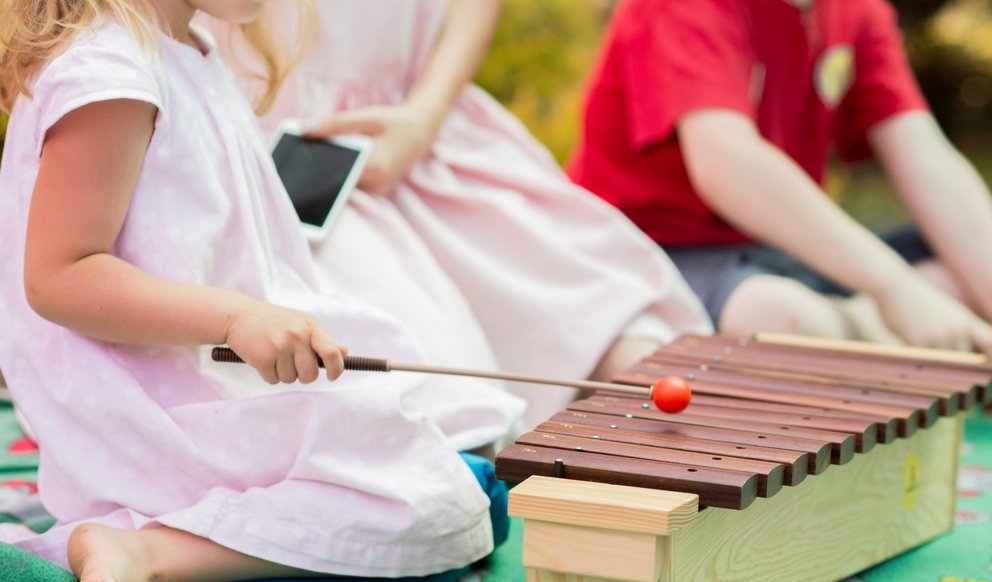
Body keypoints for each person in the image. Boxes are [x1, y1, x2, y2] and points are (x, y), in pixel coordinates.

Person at [0, 0, 526, 582]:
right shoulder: (111, 72)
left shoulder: (184, 48)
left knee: (465, 478)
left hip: (194, 381)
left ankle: (165, 543)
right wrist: (236, 316)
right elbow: (59, 274)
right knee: (434, 512)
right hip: (146, 411)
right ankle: (147, 553)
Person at [213, 0, 713, 427]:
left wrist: (423, 118)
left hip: (429, 137)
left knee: (618, 323)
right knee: (444, 395)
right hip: (286, 164)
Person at [567, 0, 992, 359]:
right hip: (663, 256)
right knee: (778, 317)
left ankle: (884, 340)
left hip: (788, 251)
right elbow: (727, 163)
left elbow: (924, 156)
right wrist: (893, 286)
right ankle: (898, 336)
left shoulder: (856, 11)